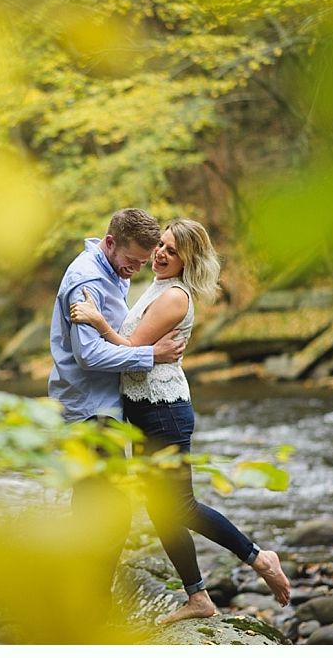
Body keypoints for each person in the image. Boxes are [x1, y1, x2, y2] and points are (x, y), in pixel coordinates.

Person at [69, 218, 290, 624]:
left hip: (162, 409)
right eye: (161, 246)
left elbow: (132, 346)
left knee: (180, 506)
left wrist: (97, 321)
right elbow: (139, 346)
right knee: (161, 510)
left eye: (172, 251)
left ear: (187, 260)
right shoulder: (156, 286)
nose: (161, 254)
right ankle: (199, 598)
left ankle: (259, 558)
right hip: (143, 407)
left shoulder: (174, 296)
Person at [48, 208, 187, 622]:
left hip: (101, 407)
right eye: (133, 260)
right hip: (88, 410)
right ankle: (89, 608)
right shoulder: (87, 279)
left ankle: (85, 603)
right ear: (110, 242)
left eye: (143, 263)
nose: (136, 270)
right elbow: (88, 354)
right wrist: (151, 354)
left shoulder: (113, 270)